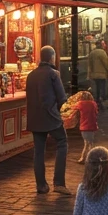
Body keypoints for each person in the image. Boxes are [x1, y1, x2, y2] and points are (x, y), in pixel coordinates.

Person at [26, 45, 69, 195]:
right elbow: (62, 97)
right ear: (52, 57)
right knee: (62, 143)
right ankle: (59, 183)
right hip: (51, 117)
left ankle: (41, 185)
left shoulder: (31, 75)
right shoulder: (53, 74)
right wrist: (58, 110)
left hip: (34, 118)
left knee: (38, 151)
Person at [74, 91, 99, 164]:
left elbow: (72, 107)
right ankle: (88, 158)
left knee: (87, 143)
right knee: (90, 143)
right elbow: (96, 112)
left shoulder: (80, 103)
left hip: (84, 126)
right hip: (92, 125)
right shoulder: (93, 103)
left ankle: (85, 158)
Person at [88, 41, 108, 110]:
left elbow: (90, 64)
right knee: (102, 89)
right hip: (102, 75)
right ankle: (102, 103)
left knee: (96, 89)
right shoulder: (102, 53)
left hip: (94, 75)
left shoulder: (92, 53)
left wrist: (90, 74)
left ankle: (96, 102)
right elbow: (106, 63)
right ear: (101, 45)